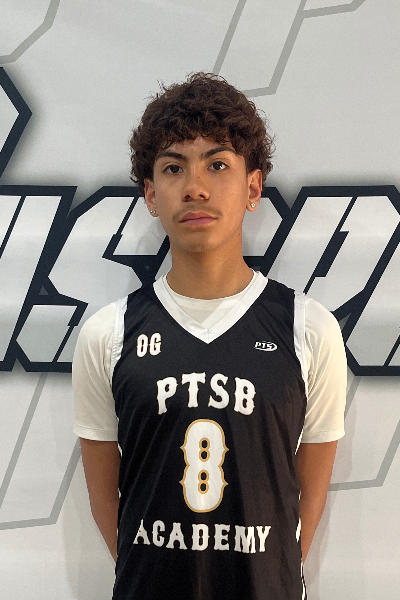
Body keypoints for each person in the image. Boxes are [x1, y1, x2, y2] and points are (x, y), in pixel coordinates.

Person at [72, 72, 347, 600]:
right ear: (151, 194)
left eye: (217, 165)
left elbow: (306, 499)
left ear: (253, 188)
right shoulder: (108, 334)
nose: (195, 187)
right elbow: (107, 501)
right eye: (174, 167)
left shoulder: (308, 328)